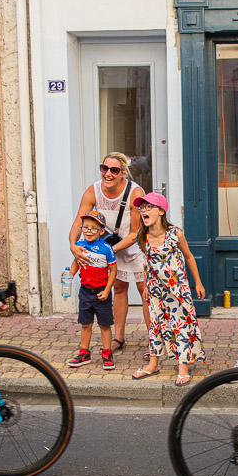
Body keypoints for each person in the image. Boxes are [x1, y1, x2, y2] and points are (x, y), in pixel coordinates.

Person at [70, 152, 150, 355]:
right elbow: (80, 221)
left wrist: (107, 252)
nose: (108, 173)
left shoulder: (135, 192)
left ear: (123, 173)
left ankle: (153, 340)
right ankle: (119, 337)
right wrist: (73, 244)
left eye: (114, 170)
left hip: (134, 246)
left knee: (144, 291)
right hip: (110, 244)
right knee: (119, 288)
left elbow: (135, 233)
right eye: (104, 168)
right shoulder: (93, 190)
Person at [130, 192, 206, 386]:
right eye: (142, 208)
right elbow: (147, 262)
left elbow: (188, 256)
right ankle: (153, 364)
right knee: (155, 325)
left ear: (161, 211)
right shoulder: (143, 235)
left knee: (180, 324)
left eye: (148, 207)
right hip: (156, 289)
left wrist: (198, 282)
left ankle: (183, 365)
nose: (143, 211)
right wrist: (146, 285)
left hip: (177, 288)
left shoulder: (175, 233)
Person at [67, 210, 117, 370]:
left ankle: (107, 353)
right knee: (85, 324)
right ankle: (84, 353)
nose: (88, 231)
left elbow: (113, 270)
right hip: (85, 291)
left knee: (104, 324)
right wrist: (69, 274)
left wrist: (108, 290)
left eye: (93, 228)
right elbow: (76, 262)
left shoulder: (106, 248)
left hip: (101, 291)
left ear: (101, 230)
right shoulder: (79, 246)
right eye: (85, 227)